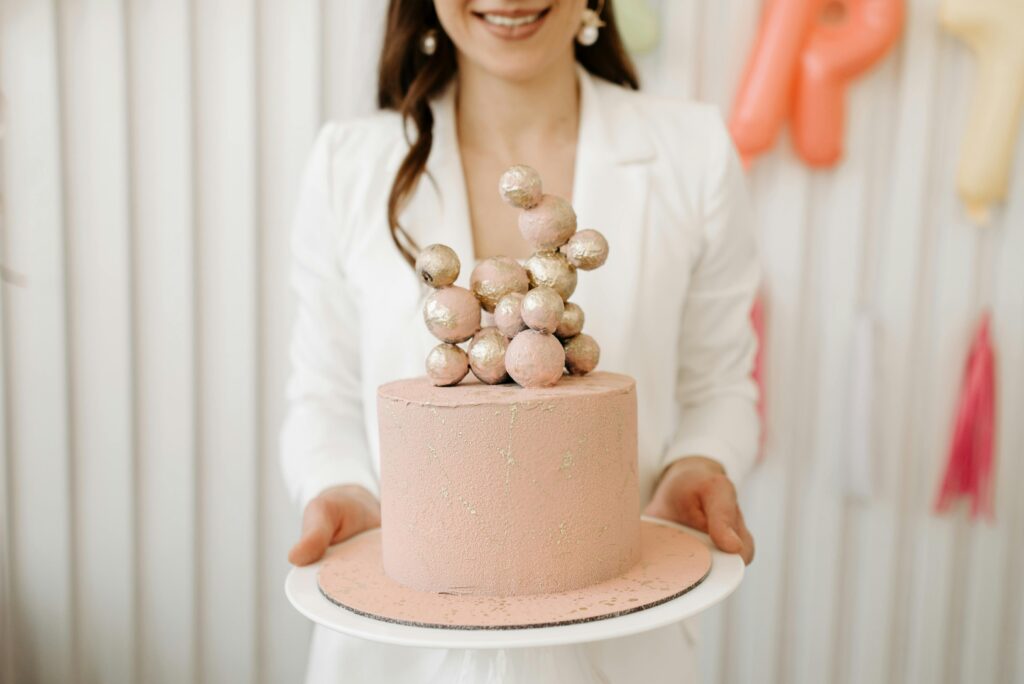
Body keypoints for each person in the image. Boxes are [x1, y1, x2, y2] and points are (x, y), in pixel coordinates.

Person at [281, 1, 759, 682]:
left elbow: (722, 385)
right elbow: (320, 394)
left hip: (617, 650)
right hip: (395, 655)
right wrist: (340, 486)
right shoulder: (346, 163)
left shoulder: (693, 152)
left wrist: (696, 464)